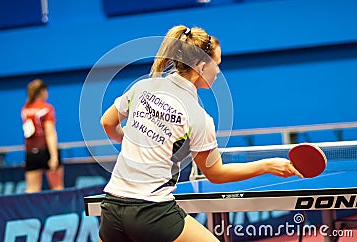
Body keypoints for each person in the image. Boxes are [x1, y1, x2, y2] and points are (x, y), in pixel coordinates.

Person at [99, 25, 302, 242]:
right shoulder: (198, 117)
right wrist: (267, 166)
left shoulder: (142, 87)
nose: (219, 71)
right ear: (201, 66)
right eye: (217, 64)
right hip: (152, 211)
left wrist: (138, 140)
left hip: (112, 209)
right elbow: (216, 174)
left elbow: (107, 123)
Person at [21, 79, 64, 193]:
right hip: (46, 151)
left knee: (32, 190)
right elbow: (50, 133)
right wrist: (54, 156)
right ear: (42, 91)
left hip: (31, 153)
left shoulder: (25, 109)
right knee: (57, 188)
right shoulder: (46, 108)